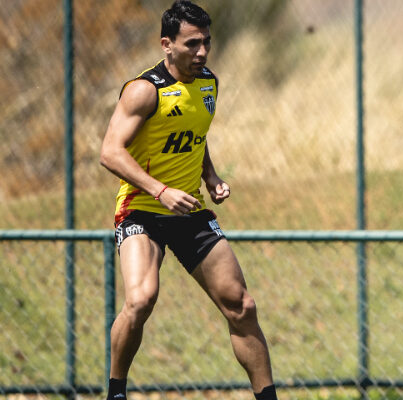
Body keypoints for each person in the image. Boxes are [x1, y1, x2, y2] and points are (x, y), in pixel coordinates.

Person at [98, 2, 277, 399]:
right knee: (141, 299)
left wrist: (209, 175)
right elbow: (110, 151)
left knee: (241, 305)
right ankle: (116, 392)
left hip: (189, 210)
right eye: (192, 43)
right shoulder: (144, 91)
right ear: (167, 44)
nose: (202, 52)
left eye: (206, 43)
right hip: (142, 210)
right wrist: (159, 190)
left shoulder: (208, 83)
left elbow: (193, 130)